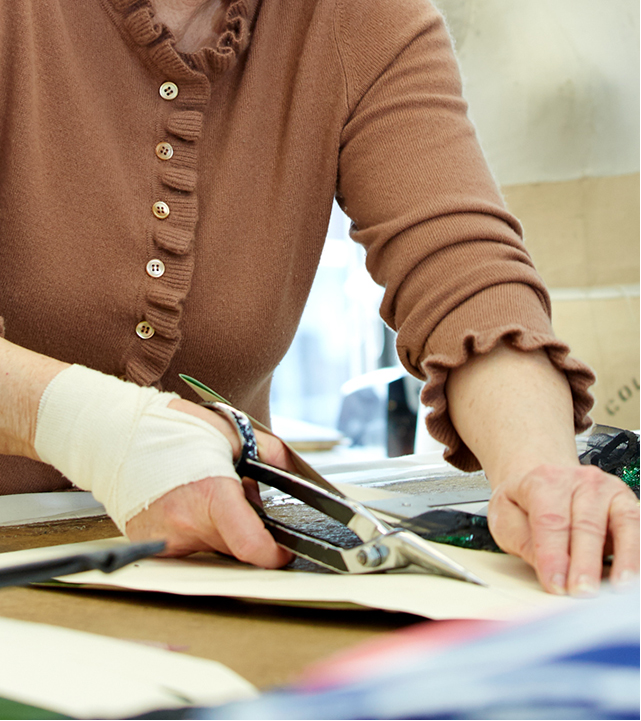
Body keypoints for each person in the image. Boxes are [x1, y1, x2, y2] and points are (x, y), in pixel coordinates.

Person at [0, 0, 638, 596]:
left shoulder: (355, 17)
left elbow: (461, 271)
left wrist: (540, 471)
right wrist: (98, 426)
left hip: (218, 576)